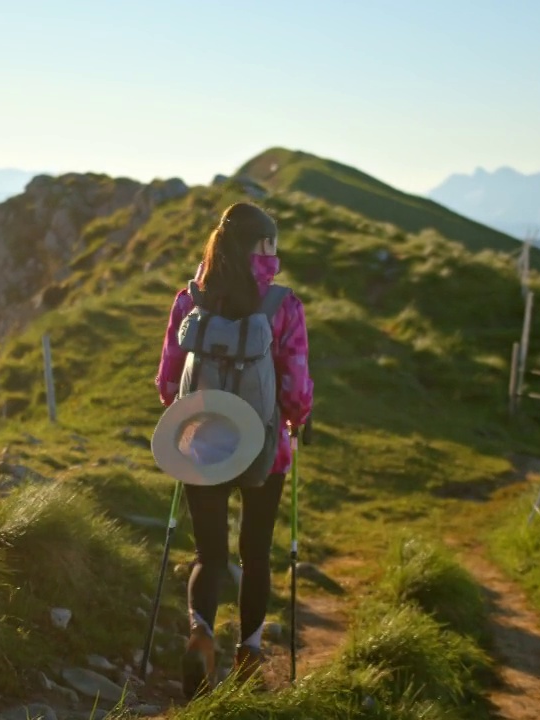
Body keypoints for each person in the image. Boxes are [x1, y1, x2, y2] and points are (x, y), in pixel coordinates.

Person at [154, 201, 314, 698]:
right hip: (265, 446)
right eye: (274, 243)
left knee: (209, 552)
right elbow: (296, 382)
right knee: (257, 553)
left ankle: (201, 635)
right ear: (264, 246)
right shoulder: (283, 304)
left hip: (201, 442)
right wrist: (297, 419)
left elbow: (167, 382)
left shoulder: (190, 299)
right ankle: (248, 652)